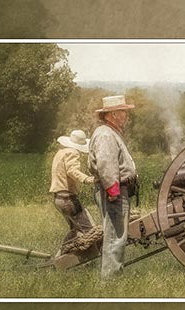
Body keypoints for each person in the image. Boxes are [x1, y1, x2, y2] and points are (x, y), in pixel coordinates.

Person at [88, 95, 138, 279]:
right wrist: (113, 191)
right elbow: (106, 164)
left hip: (116, 190)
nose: (126, 115)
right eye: (122, 112)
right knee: (114, 237)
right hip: (113, 192)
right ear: (112, 114)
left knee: (117, 236)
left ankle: (113, 276)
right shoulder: (105, 134)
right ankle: (110, 280)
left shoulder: (110, 132)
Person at [48, 130, 96, 256]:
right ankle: (89, 260)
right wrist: (87, 179)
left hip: (59, 198)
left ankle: (58, 257)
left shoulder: (60, 153)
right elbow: (72, 170)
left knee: (75, 231)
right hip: (68, 199)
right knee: (90, 231)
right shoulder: (72, 152)